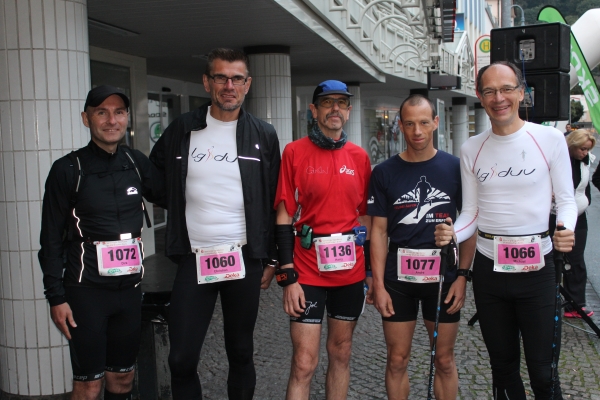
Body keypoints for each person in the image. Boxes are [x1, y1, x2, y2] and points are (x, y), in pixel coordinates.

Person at [435, 61, 577, 399]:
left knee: (543, 373)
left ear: (521, 92)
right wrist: (453, 233)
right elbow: (471, 213)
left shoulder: (550, 139)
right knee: (502, 369)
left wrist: (565, 228)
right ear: (480, 96)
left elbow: (567, 201)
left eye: (506, 89)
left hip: (538, 271)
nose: (498, 98)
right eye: (489, 91)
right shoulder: (471, 148)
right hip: (490, 273)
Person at [149, 48, 281, 399]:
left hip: (243, 257)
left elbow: (272, 199)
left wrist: (271, 257)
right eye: (221, 77)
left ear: (247, 84)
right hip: (194, 257)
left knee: (240, 351)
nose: (229, 86)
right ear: (207, 82)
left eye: (237, 79)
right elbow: (155, 177)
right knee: (181, 358)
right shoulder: (182, 129)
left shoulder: (263, 134)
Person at [39, 85, 164, 400]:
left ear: (126, 118)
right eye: (101, 112)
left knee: (122, 380)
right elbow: (50, 240)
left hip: (129, 291)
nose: (111, 120)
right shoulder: (68, 169)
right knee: (88, 386)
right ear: (86, 119)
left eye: (118, 112)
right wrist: (56, 298)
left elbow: (171, 194)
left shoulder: (135, 161)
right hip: (86, 294)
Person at [368, 94, 476, 400]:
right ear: (400, 125)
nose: (417, 131)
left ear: (436, 123)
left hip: (443, 276)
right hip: (398, 278)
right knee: (397, 359)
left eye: (424, 123)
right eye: (410, 124)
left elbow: (469, 223)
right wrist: (378, 284)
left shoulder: (456, 168)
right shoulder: (384, 172)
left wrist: (463, 277)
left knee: (443, 360)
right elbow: (378, 232)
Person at [274, 80, 372, 399]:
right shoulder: (294, 152)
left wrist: (370, 272)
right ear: (313, 110)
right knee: (304, 362)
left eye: (341, 103)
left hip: (350, 272)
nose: (335, 109)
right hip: (307, 270)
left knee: (341, 353)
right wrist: (287, 276)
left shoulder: (359, 157)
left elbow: (366, 219)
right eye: (327, 103)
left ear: (349, 111)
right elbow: (284, 216)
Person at [550, 129, 597, 317]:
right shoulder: (559, 160)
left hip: (579, 216)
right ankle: (549, 299)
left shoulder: (585, 161)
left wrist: (586, 201)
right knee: (554, 258)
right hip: (555, 215)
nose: (585, 153)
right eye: (582, 149)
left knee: (576, 259)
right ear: (572, 146)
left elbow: (585, 186)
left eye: (588, 149)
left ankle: (576, 304)